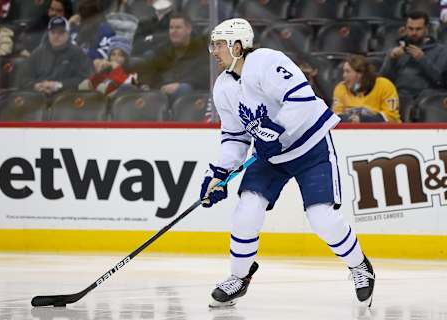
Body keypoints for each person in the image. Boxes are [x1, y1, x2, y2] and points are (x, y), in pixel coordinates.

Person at [200, 18, 375, 308]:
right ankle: (239, 277)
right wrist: (218, 174)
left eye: (219, 44)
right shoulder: (223, 87)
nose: (214, 51)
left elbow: (302, 98)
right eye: (214, 44)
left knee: (322, 218)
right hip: (271, 156)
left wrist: (277, 129)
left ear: (238, 45)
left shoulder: (268, 61)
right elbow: (235, 137)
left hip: (310, 148)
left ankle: (360, 267)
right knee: (247, 210)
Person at [140, 13, 209, 103]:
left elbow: (204, 75)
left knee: (183, 89)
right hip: (162, 92)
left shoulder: (200, 49)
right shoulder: (162, 50)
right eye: (171, 28)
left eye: (178, 28)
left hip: (193, 95)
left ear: (188, 29)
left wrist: (180, 84)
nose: (173, 31)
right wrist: (161, 86)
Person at [380, 11, 447, 100]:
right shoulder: (399, 49)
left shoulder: (441, 50)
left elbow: (440, 81)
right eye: (410, 29)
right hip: (396, 96)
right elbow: (383, 80)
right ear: (406, 28)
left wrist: (422, 60)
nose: (414, 33)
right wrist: (391, 59)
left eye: (418, 29)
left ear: (426, 29)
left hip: (422, 98)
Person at [21, 16, 92, 95]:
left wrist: (60, 85)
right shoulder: (38, 53)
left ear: (68, 34)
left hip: (66, 98)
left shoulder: (78, 53)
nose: (56, 36)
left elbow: (85, 79)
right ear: (48, 33)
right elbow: (23, 79)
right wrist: (36, 85)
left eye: (61, 32)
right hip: (39, 98)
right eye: (53, 32)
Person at [333, 55, 401, 123]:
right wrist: (350, 119)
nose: (344, 75)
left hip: (382, 131)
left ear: (360, 74)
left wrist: (362, 119)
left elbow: (391, 117)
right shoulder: (341, 88)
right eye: (344, 71)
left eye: (347, 71)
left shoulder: (385, 86)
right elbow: (336, 116)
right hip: (350, 131)